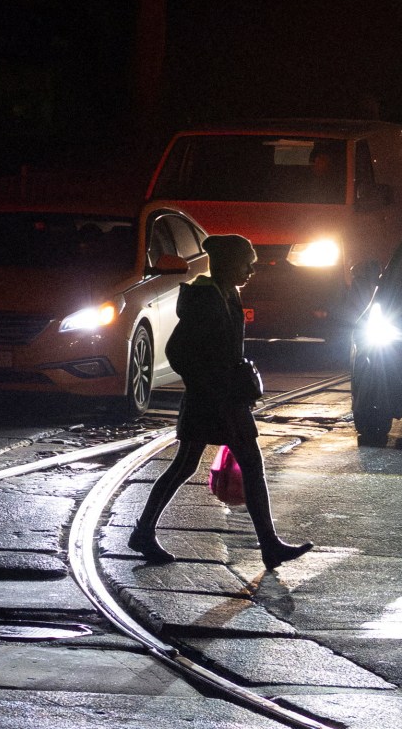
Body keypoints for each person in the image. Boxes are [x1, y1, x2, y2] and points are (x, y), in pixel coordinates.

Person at [128, 234, 312, 572]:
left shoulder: (225, 294)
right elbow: (177, 351)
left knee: (197, 465)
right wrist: (208, 385)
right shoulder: (207, 299)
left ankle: (268, 545)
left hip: (223, 398)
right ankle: (268, 545)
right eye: (247, 264)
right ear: (228, 264)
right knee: (218, 465)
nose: (251, 271)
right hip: (214, 400)